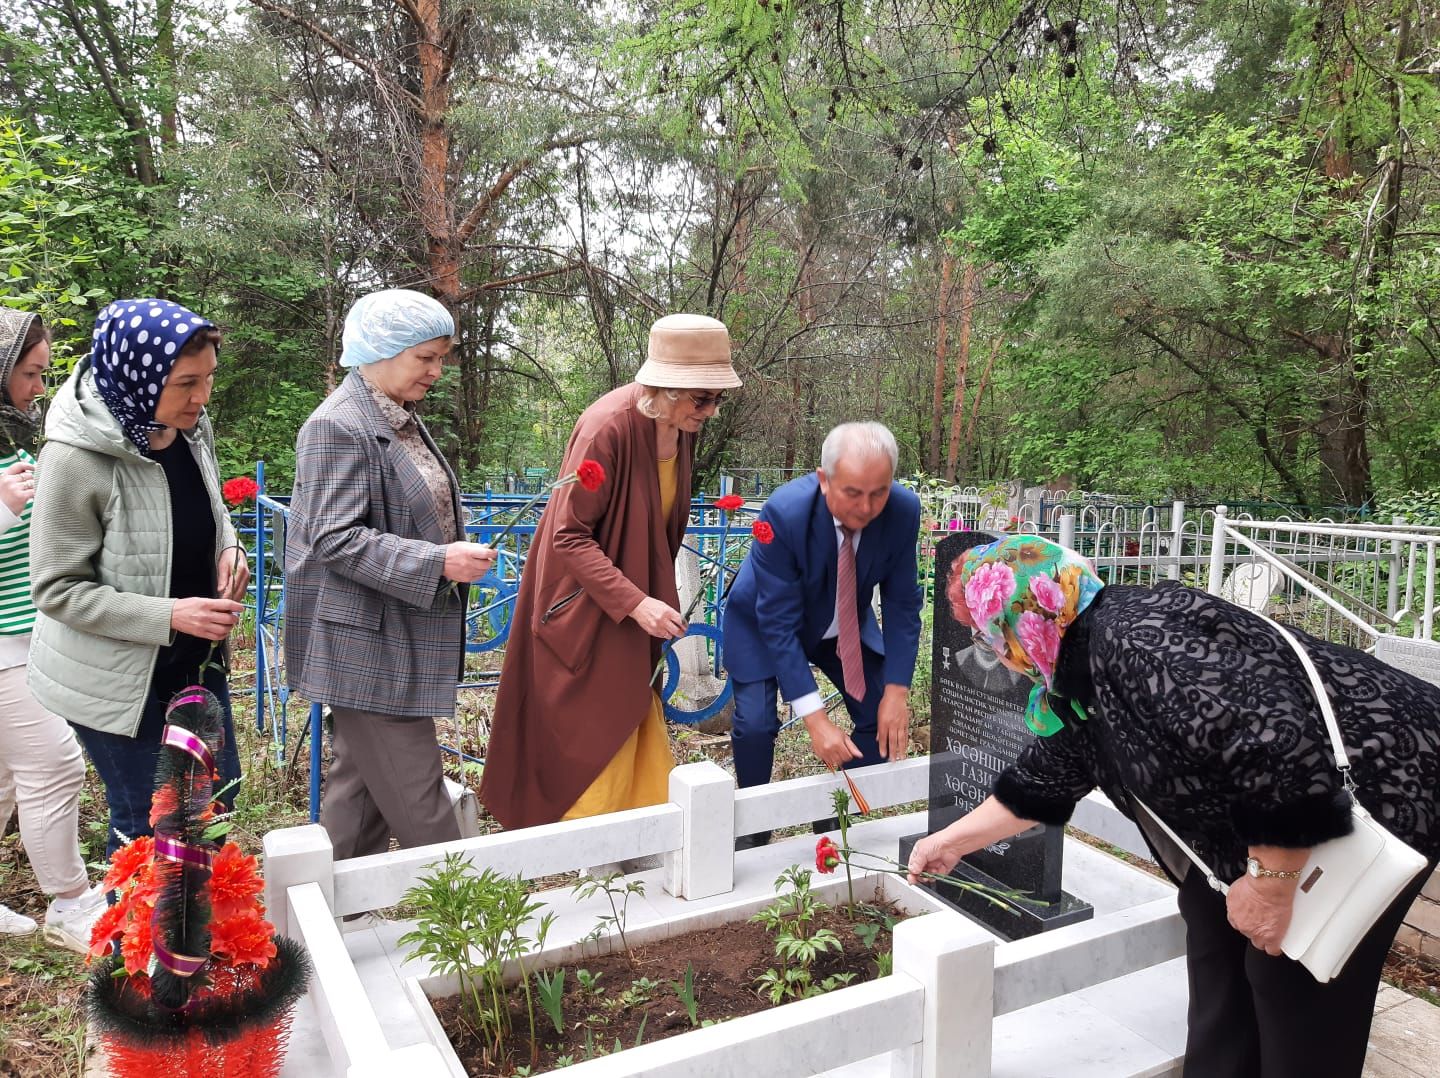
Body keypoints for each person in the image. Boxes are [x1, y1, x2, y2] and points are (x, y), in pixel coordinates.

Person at [906, 534, 1440, 1078]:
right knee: (1211, 922)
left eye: (985, 630)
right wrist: (949, 842)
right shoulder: (1079, 671)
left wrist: (1271, 888)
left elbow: (1279, 751)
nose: (989, 647)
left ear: (1017, 618)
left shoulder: (1137, 640)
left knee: (1289, 974)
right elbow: (1042, 782)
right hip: (1271, 805)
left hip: (1384, 781)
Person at [481, 313, 742, 830]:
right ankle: (593, 847)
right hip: (585, 603)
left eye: (717, 398)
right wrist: (636, 602)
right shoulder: (607, 427)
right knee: (598, 720)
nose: (710, 411)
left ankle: (641, 833)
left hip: (634, 599)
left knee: (634, 708)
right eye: (701, 398)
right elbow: (566, 533)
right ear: (664, 387)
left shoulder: (679, 426)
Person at [29, 299, 249, 862]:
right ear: (137, 375)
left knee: (213, 804)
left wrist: (230, 547)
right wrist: (170, 615)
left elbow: (209, 508)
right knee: (152, 824)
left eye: (208, 380)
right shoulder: (74, 458)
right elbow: (57, 588)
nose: (200, 398)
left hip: (194, 661)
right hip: (115, 681)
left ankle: (202, 941)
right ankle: (135, 949)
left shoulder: (189, 427)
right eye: (185, 384)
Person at [286, 289, 496, 862]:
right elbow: (333, 538)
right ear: (380, 350)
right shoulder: (339, 426)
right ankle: (472, 928)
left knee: (358, 797)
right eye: (424, 357)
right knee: (420, 799)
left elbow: (407, 506)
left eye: (441, 357)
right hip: (366, 645)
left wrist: (453, 543)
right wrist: (439, 561)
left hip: (392, 635)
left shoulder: (395, 416)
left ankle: (324, 923)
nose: (436, 370)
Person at [722, 421, 923, 848]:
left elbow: (903, 603)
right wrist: (815, 720)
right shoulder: (784, 512)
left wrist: (897, 690)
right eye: (852, 492)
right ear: (823, 479)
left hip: (840, 626)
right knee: (756, 723)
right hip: (764, 623)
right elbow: (777, 622)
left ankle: (833, 813)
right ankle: (751, 835)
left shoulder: (904, 511)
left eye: (879, 492)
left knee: (884, 722)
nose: (867, 507)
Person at [0, 309, 105, 952]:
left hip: (26, 628)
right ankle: (70, 904)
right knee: (55, 762)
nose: (39, 388)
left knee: (6, 778)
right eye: (30, 373)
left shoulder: (12, 434)